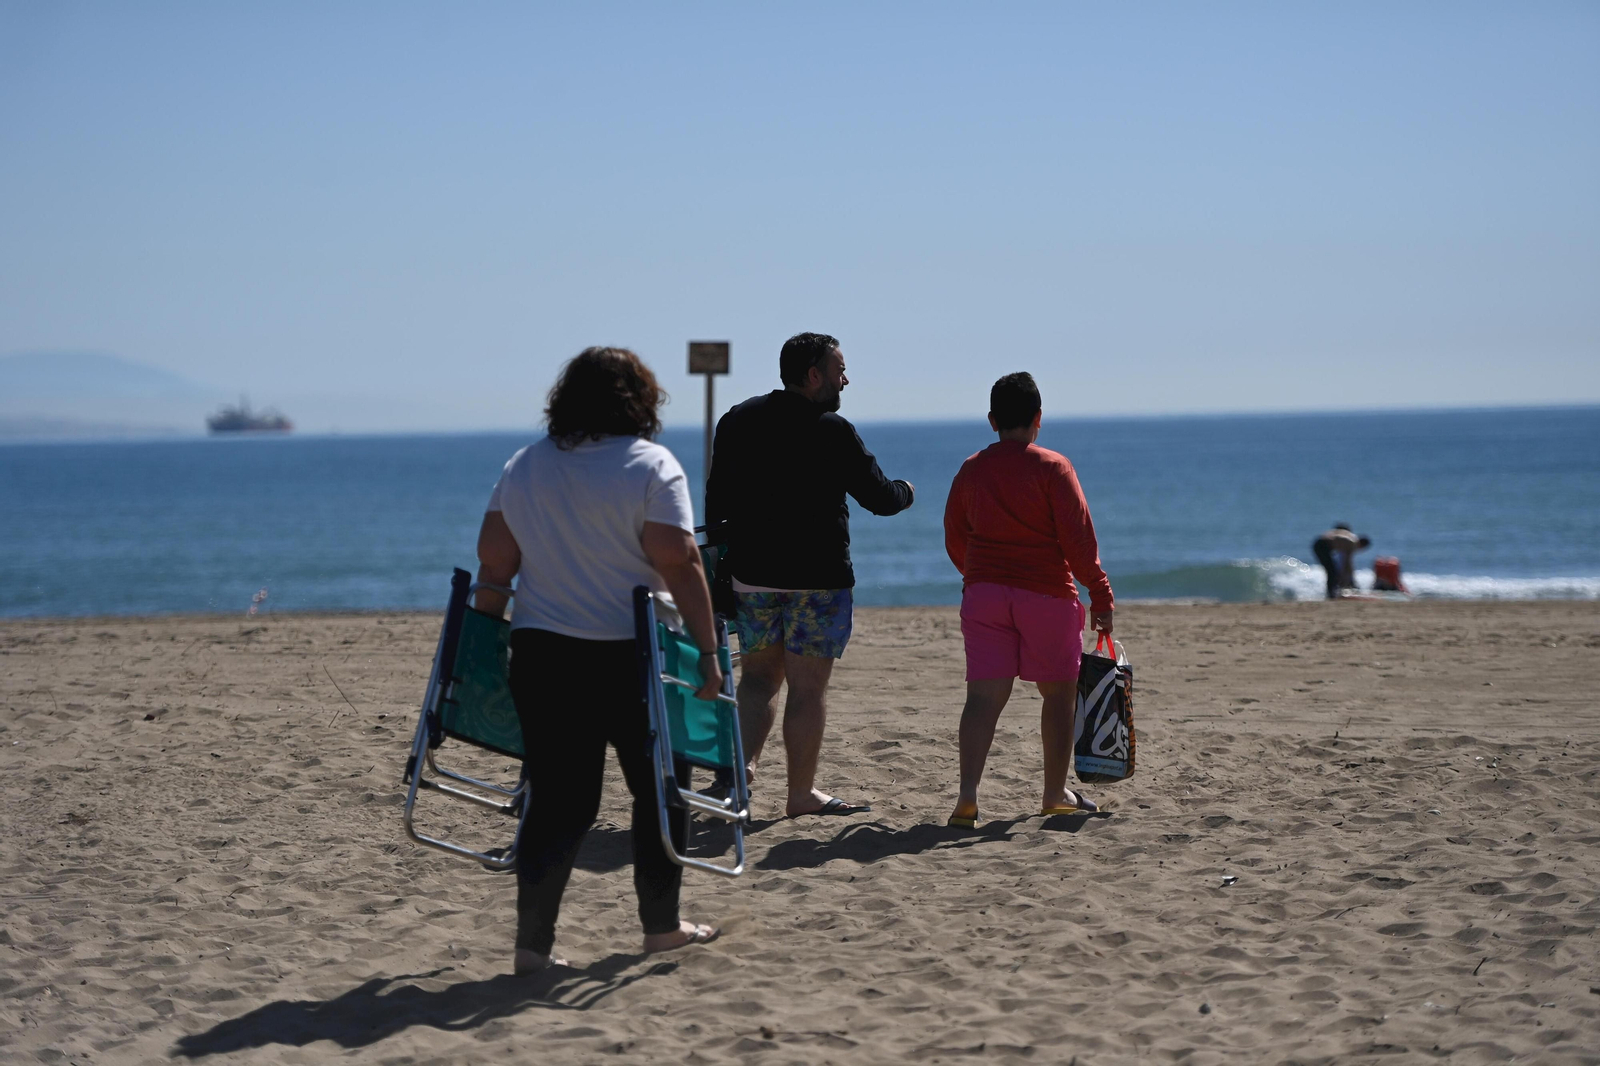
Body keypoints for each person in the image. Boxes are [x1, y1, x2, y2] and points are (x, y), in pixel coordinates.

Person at [473, 347, 724, 975]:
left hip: (543, 653)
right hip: (631, 655)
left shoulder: (525, 465)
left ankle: (533, 947)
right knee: (660, 788)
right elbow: (678, 557)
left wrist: (479, 648)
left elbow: (495, 563)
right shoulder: (649, 464)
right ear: (640, 399)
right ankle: (661, 929)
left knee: (560, 800)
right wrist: (711, 649)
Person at [705, 332, 915, 818]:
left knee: (757, 680)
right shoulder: (831, 429)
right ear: (813, 375)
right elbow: (880, 498)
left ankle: (741, 775)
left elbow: (717, 502)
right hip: (817, 581)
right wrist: (907, 490)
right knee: (806, 689)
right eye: (839, 369)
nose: (846, 378)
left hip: (753, 575)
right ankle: (800, 796)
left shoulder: (736, 420)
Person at [942, 372, 1114, 829]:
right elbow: (1078, 541)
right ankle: (1054, 793)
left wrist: (980, 577)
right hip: (1046, 595)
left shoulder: (971, 469)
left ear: (992, 420)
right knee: (1058, 695)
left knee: (982, 698)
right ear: (1039, 419)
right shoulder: (1054, 467)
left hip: (984, 596)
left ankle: (967, 797)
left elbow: (956, 536)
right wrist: (1100, 593)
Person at [1311, 524, 1371, 599]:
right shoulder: (1353, 543)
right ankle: (1331, 594)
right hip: (1323, 546)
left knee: (1332, 570)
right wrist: (1349, 579)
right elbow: (1347, 563)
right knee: (1332, 572)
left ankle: (1332, 592)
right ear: (1362, 545)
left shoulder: (1351, 536)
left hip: (1320, 542)